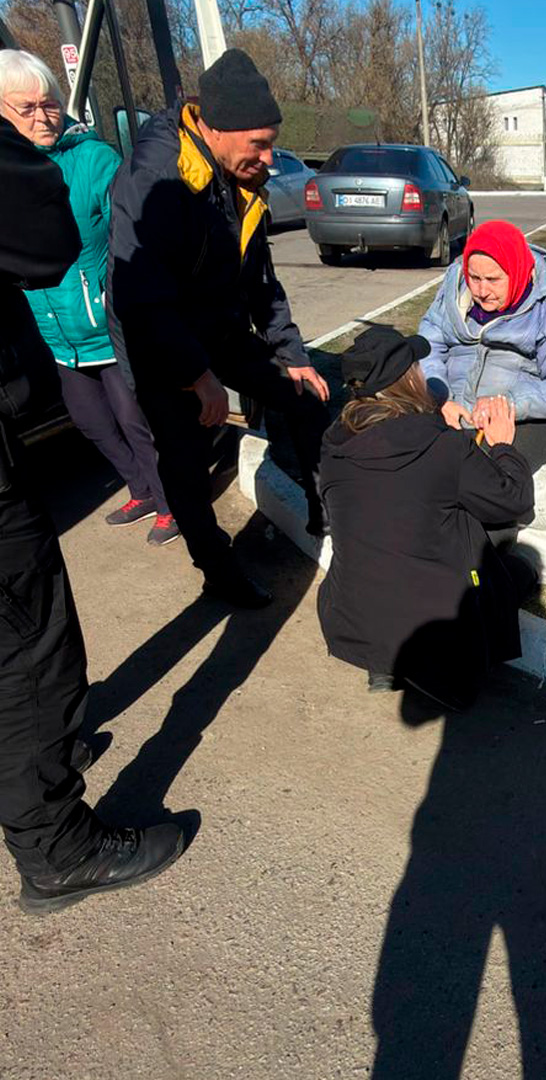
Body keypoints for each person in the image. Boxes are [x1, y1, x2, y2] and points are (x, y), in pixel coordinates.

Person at [0, 116, 184, 913]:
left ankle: (39, 761)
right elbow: (41, 232)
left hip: (74, 343)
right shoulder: (40, 162)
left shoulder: (96, 158)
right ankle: (55, 846)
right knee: (27, 651)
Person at [108, 48, 330, 607]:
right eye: (258, 144)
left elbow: (262, 284)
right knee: (184, 458)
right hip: (158, 338)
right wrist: (199, 376)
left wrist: (292, 354)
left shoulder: (243, 178)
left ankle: (324, 512)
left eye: (272, 141)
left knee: (301, 396)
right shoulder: (157, 177)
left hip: (217, 324)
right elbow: (142, 296)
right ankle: (217, 570)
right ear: (214, 127)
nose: (269, 157)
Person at [0, 49, 177, 547]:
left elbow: (135, 232)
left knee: (135, 422)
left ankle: (171, 502)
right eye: (27, 108)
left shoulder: (92, 159)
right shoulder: (12, 174)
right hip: (59, 336)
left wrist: (115, 294)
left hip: (108, 326)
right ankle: (141, 490)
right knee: (91, 423)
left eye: (49, 104)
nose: (43, 116)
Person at [317, 327, 536, 709]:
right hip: (435, 630)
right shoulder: (443, 446)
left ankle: (385, 661)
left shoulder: (335, 442)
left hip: (350, 615)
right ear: (409, 379)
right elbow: (513, 501)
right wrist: (502, 446)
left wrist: (434, 414)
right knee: (517, 567)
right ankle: (441, 674)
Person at [418, 219, 546, 473]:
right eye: (474, 277)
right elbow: (427, 346)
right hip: (449, 413)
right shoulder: (455, 289)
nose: (482, 290)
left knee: (492, 487)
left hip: (509, 422)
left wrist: (506, 404)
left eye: (493, 279)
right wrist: (439, 397)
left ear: (516, 270)